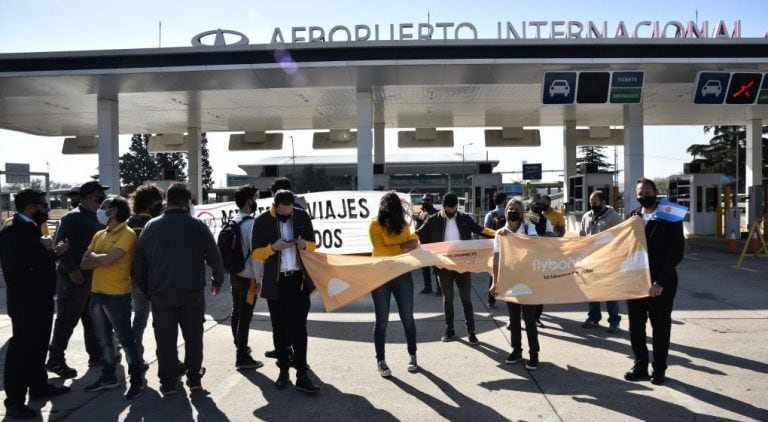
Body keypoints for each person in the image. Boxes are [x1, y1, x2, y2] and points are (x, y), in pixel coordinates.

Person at [133, 183, 225, 395]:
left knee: (165, 339)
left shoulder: (151, 226)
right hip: (191, 293)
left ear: (168, 201)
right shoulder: (198, 226)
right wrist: (217, 280)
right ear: (186, 202)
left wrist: (145, 287)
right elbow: (214, 257)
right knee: (193, 337)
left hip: (160, 294)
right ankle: (194, 378)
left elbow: (140, 262)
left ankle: (168, 381)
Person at [0, 189, 71, 419]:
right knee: (22, 349)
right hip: (25, 301)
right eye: (43, 205)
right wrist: (46, 250)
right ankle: (14, 401)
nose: (47, 209)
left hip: (40, 298)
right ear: (30, 207)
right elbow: (16, 267)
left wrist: (54, 253)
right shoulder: (13, 230)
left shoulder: (31, 228)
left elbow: (36, 261)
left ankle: (38, 384)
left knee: (39, 344)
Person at [251, 189, 320, 394]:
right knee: (279, 328)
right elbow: (256, 253)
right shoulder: (262, 221)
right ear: (275, 206)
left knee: (299, 328)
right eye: (283, 212)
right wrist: (273, 248)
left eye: (290, 212)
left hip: (298, 281)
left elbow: (314, 245)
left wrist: (303, 244)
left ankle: (302, 373)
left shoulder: (301, 216)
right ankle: (283, 371)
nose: (287, 215)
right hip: (276, 282)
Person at [80, 196, 144, 399]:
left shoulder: (127, 234)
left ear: (114, 210)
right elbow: (83, 263)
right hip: (97, 294)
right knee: (105, 341)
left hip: (118, 295)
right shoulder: (99, 234)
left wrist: (95, 257)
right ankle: (109, 377)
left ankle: (137, 380)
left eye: (103, 206)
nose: (99, 210)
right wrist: (100, 259)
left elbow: (107, 260)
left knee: (126, 341)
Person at [624, 178, 684, 386]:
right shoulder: (633, 216)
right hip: (637, 282)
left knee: (660, 327)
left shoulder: (670, 214)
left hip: (661, 283)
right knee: (636, 327)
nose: (643, 196)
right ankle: (640, 365)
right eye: (640, 192)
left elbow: (676, 253)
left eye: (647, 191)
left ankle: (659, 369)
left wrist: (659, 282)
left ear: (656, 192)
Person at [47, 180, 109, 379]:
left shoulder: (96, 216)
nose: (103, 198)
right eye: (101, 194)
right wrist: (72, 270)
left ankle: (96, 354)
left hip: (91, 278)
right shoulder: (73, 218)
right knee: (67, 319)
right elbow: (60, 245)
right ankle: (55, 359)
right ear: (91, 195)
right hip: (74, 279)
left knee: (91, 319)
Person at [418, 192, 496, 345]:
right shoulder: (433, 220)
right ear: (444, 206)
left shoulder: (464, 218)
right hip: (443, 265)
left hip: (463, 265)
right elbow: (418, 234)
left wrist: (497, 234)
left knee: (466, 299)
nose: (453, 210)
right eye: (450, 207)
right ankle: (449, 329)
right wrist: (404, 240)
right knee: (448, 299)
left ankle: (471, 332)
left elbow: (479, 229)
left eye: (455, 207)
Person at [368, 192, 420, 378]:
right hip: (380, 277)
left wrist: (413, 242)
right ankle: (381, 360)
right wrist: (403, 246)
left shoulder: (404, 225)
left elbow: (414, 241)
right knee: (381, 321)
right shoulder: (374, 225)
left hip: (402, 275)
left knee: (408, 318)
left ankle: (413, 356)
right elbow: (381, 250)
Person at [490, 199, 542, 370]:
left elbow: (533, 247)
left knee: (528, 318)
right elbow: (497, 258)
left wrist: (513, 239)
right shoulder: (500, 233)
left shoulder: (529, 228)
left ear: (522, 212)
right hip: (510, 279)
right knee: (513, 318)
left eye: (517, 209)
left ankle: (534, 354)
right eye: (510, 208)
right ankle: (516, 350)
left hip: (527, 279)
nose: (513, 211)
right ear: (505, 212)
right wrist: (495, 282)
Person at [126, 183, 164, 371]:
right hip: (150, 279)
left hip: (129, 277)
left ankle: (135, 355)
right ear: (151, 203)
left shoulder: (128, 222)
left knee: (137, 318)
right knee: (158, 319)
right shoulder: (151, 225)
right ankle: (164, 357)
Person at [228, 184, 264, 370]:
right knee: (245, 316)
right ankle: (242, 355)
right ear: (249, 200)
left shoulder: (234, 220)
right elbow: (257, 255)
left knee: (237, 312)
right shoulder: (251, 224)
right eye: (255, 198)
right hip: (249, 276)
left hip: (235, 274)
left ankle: (240, 346)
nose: (256, 201)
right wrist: (259, 280)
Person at [579, 190, 624, 333]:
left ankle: (614, 321)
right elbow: (582, 236)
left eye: (595, 203)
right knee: (593, 291)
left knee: (610, 292)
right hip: (591, 260)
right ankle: (593, 318)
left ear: (603, 202)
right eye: (591, 203)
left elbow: (620, 237)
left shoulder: (613, 217)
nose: (592, 206)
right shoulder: (587, 216)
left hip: (608, 261)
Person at [528, 196, 556, 327]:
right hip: (528, 260)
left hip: (540, 260)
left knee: (539, 290)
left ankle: (536, 317)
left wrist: (538, 238)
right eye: (536, 206)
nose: (538, 209)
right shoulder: (525, 219)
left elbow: (552, 235)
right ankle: (524, 316)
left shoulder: (544, 220)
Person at [483, 191, 508, 309]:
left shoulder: (490, 215)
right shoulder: (509, 214)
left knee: (494, 273)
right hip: (509, 249)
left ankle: (491, 300)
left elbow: (485, 231)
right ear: (504, 201)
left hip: (495, 247)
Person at [413, 193, 440, 295]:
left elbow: (430, 224)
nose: (425, 202)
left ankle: (439, 289)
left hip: (432, 245)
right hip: (422, 244)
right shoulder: (421, 212)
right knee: (424, 268)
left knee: (436, 268)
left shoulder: (435, 213)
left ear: (432, 201)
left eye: (427, 200)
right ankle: (427, 287)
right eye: (423, 200)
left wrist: (419, 219)